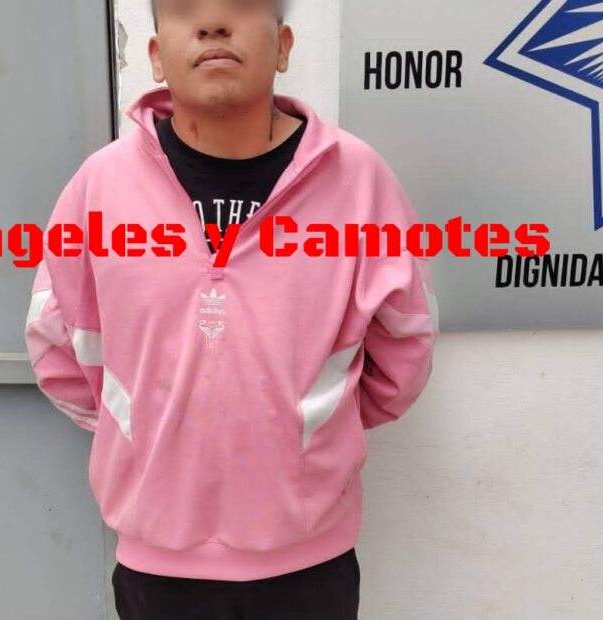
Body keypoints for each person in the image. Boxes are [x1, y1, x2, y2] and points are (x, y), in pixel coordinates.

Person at [24, 0, 439, 617]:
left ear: (284, 46)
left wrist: (311, 429)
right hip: (157, 570)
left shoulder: (358, 182)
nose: (213, 23)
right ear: (156, 56)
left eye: (242, 6)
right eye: (185, 9)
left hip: (309, 567)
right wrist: (140, 431)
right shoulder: (100, 187)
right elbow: (57, 341)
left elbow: (406, 342)